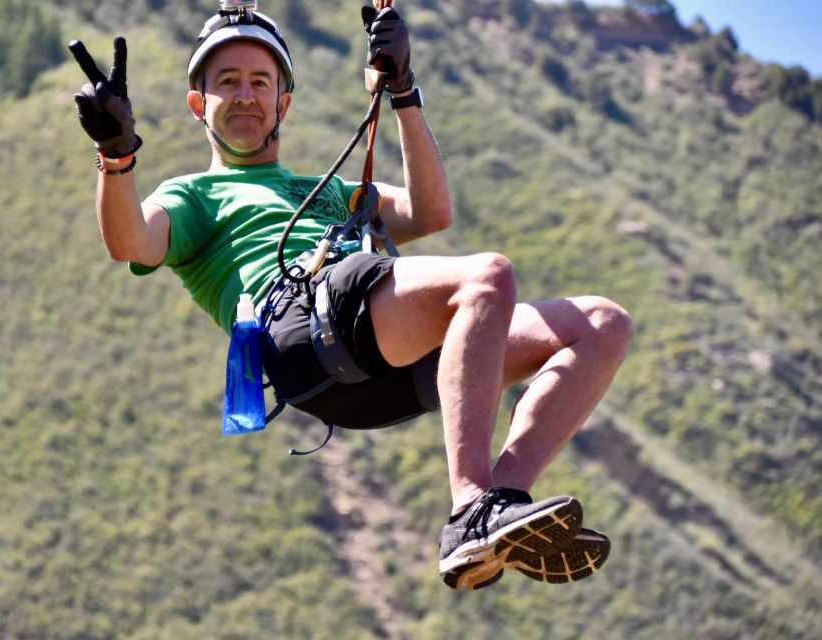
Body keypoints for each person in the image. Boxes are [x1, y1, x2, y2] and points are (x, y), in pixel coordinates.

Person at [68, 1, 633, 590]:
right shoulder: (193, 196)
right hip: (302, 326)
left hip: (373, 379)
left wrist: (403, 90)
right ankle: (471, 505)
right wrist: (116, 155)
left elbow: (430, 210)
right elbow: (130, 242)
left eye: (260, 82)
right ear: (198, 105)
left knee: (602, 324)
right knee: (486, 276)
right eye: (227, 82)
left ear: (282, 103)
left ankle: (498, 506)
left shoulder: (329, 190)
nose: (244, 95)